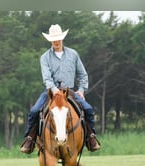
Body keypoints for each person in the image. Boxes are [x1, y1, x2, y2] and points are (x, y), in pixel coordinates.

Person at [20, 24, 101, 154]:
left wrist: (81, 89)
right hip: (51, 93)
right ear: (50, 40)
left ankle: (91, 137)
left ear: (62, 38)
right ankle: (30, 139)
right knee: (34, 111)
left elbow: (82, 74)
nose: (56, 41)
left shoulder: (73, 54)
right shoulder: (45, 57)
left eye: (58, 38)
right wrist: (54, 90)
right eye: (54, 39)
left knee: (88, 109)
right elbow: (47, 78)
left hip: (69, 92)